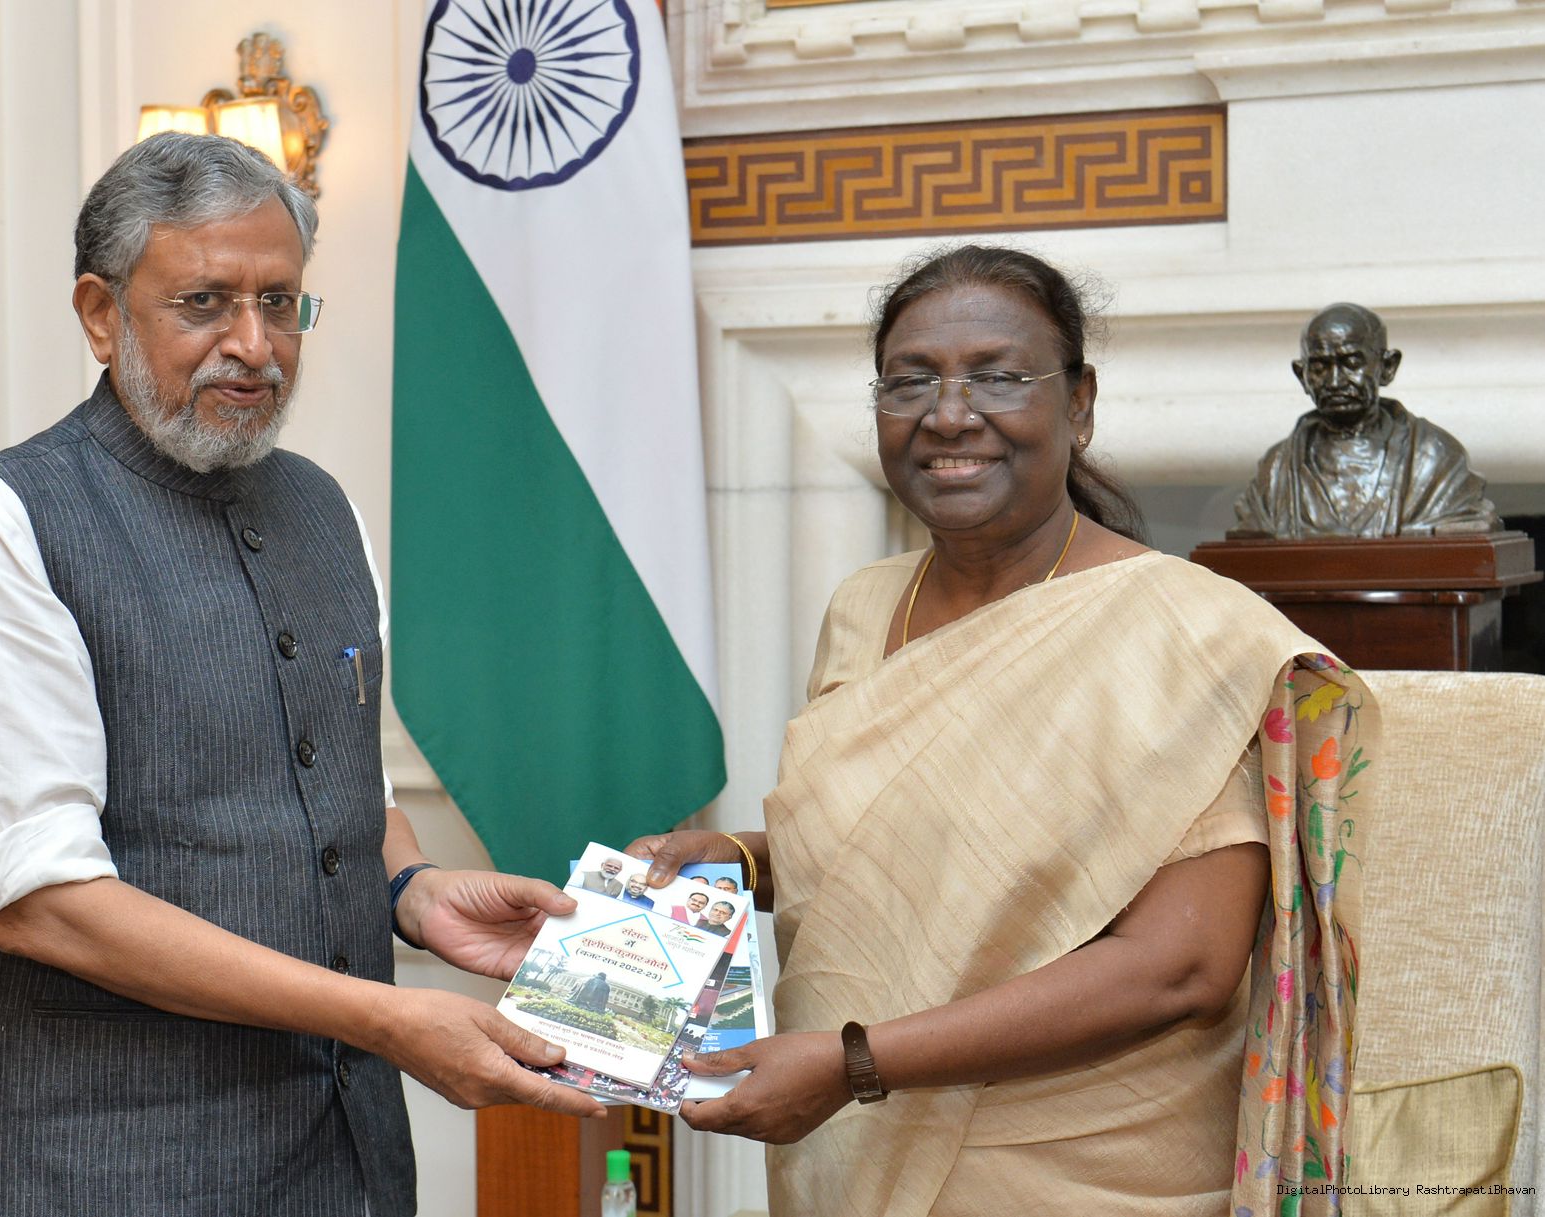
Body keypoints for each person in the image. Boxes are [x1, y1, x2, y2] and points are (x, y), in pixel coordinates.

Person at [0, 133, 600, 1217]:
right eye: (205, 303)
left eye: (280, 303)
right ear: (100, 314)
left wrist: (414, 892)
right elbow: (43, 904)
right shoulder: (7, 520)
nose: (253, 344)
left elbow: (345, 792)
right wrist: (386, 1017)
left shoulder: (324, 507)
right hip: (106, 1176)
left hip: (345, 1164)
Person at [630, 246, 1376, 1216]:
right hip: (851, 1152)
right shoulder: (863, 607)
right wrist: (736, 858)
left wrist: (854, 1063)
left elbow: (1178, 968)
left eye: (997, 377)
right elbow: (903, 856)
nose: (947, 415)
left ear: (1078, 404)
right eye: (909, 381)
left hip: (1089, 1171)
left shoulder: (1187, 631)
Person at [1231, 303, 1497, 538]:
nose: (1335, 381)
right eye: (1320, 367)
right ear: (1302, 375)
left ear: (1387, 367)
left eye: (1351, 363)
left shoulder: (1435, 458)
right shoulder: (1275, 471)